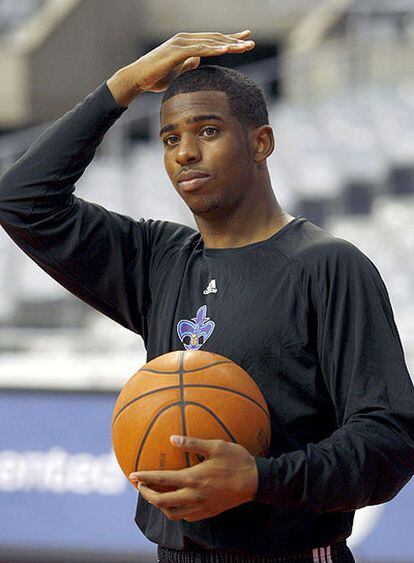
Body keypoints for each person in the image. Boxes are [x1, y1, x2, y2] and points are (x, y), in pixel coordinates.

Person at [0, 30, 413, 563]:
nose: (186, 152)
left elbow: (390, 438)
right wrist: (126, 84)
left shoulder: (330, 266)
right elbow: (20, 198)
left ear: (261, 142)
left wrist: (259, 479)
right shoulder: (158, 258)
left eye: (208, 130)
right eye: (170, 139)